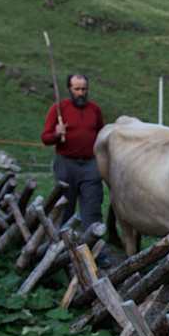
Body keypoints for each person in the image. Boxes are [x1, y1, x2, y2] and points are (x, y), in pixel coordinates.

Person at [40, 73, 105, 230]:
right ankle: (60, 245)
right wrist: (57, 133)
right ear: (69, 89)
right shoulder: (59, 109)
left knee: (93, 205)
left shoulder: (95, 110)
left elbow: (101, 134)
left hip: (90, 164)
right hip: (65, 163)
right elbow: (45, 138)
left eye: (84, 89)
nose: (81, 93)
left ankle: (93, 245)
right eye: (77, 89)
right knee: (64, 206)